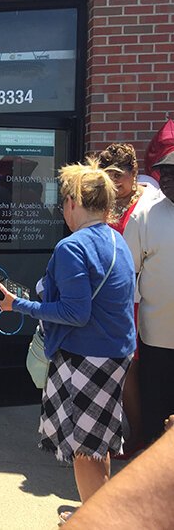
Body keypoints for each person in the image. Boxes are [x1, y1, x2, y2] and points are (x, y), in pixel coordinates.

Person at [0, 161, 136, 524]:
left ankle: (95, 522)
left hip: (85, 360)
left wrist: (18, 305)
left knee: (85, 450)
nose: (62, 209)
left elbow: (76, 313)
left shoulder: (72, 247)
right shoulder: (115, 238)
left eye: (63, 202)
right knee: (98, 442)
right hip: (114, 354)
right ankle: (97, 511)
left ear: (74, 201)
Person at [86, 143, 160, 457]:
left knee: (130, 371)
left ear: (133, 172)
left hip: (139, 300)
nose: (114, 182)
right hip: (107, 297)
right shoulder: (105, 201)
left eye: (118, 175)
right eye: (107, 175)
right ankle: (123, 434)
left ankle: (138, 438)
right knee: (115, 370)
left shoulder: (151, 202)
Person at [123, 151, 174, 447]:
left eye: (171, 173)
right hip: (157, 333)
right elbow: (129, 272)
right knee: (157, 399)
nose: (164, 179)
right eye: (162, 173)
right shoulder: (145, 215)